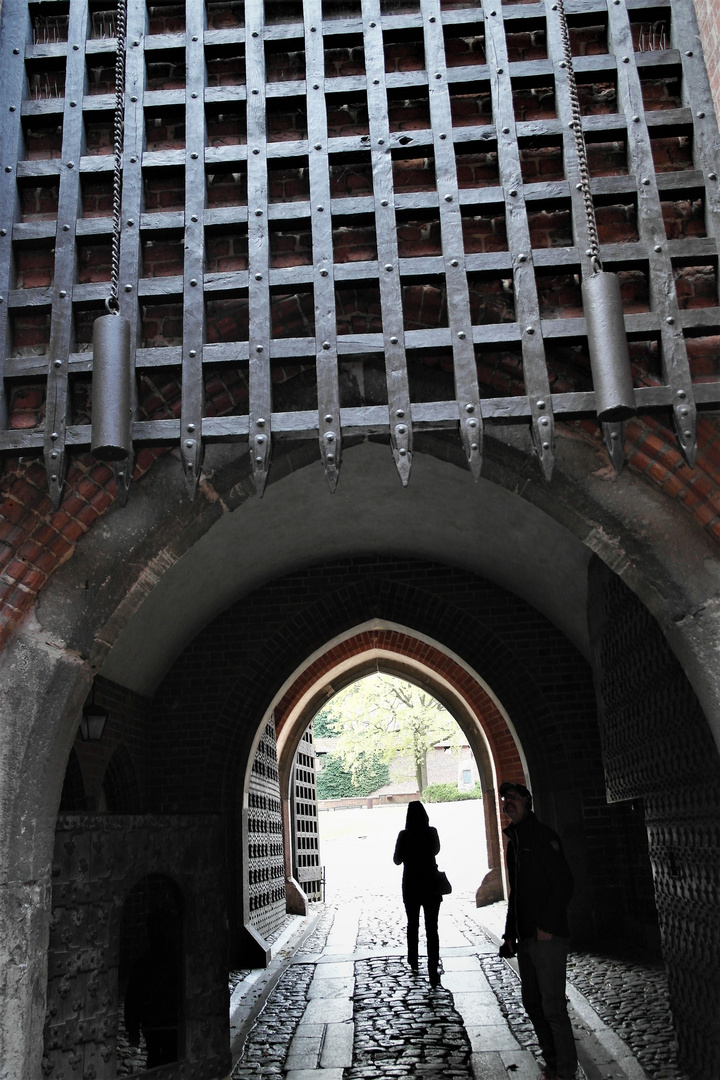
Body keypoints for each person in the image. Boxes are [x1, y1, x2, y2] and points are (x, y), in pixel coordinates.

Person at [499, 781, 577, 1080]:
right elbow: (516, 893)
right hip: (526, 936)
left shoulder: (543, 837)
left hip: (546, 937)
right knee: (532, 1003)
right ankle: (553, 1063)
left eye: (514, 798)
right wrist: (509, 933)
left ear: (527, 802)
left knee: (553, 1007)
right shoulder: (514, 841)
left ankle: (565, 1070)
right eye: (505, 798)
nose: (508, 803)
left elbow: (563, 885)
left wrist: (547, 926)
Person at [393, 800, 444, 988]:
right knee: (432, 928)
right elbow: (437, 850)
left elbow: (397, 860)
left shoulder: (404, 835)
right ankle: (433, 967)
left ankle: (413, 960)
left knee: (412, 924)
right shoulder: (431, 832)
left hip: (411, 884)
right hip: (430, 883)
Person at [124, 910, 182, 1069]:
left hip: (152, 1023)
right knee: (172, 1057)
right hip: (172, 1022)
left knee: (155, 1058)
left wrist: (133, 1030)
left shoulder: (143, 963)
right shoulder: (179, 961)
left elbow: (132, 1000)